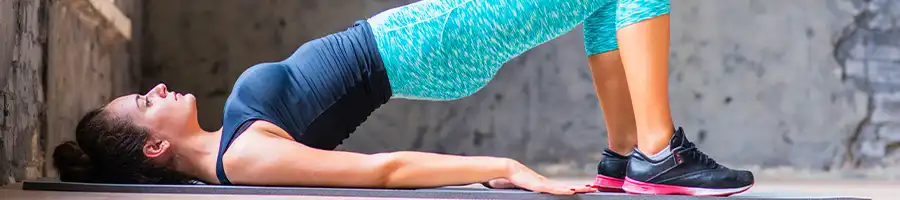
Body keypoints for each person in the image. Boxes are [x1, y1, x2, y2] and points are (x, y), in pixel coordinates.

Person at [52, 0, 753, 196]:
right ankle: (657, 154)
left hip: (418, 36)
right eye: (144, 104)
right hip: (427, 47)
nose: (155, 91)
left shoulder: (234, 140)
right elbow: (382, 170)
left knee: (604, 7)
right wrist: (504, 166)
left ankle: (624, 158)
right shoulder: (246, 160)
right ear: (155, 145)